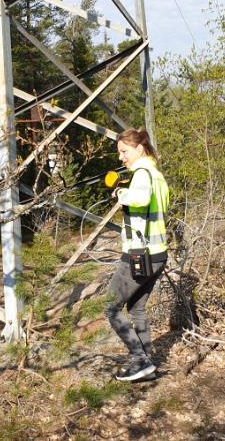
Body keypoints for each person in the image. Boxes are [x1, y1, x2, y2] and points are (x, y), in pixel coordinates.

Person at [105, 127, 169, 382]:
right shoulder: (156, 174)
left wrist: (121, 193)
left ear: (140, 148)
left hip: (139, 254)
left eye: (124, 151)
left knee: (109, 307)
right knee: (137, 308)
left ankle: (139, 360)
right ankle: (147, 364)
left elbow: (140, 198)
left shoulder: (142, 173)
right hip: (157, 254)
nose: (121, 157)